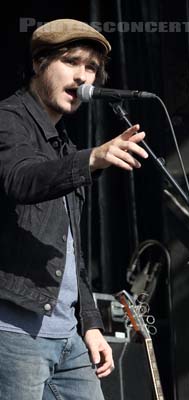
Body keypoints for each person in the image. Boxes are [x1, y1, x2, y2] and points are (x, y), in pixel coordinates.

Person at [0, 19, 148, 399]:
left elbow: (70, 249)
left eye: (93, 68)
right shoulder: (7, 119)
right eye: (72, 61)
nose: (84, 77)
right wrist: (91, 159)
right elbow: (20, 179)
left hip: (67, 335)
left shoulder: (63, 144)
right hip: (13, 332)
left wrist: (90, 323)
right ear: (39, 63)